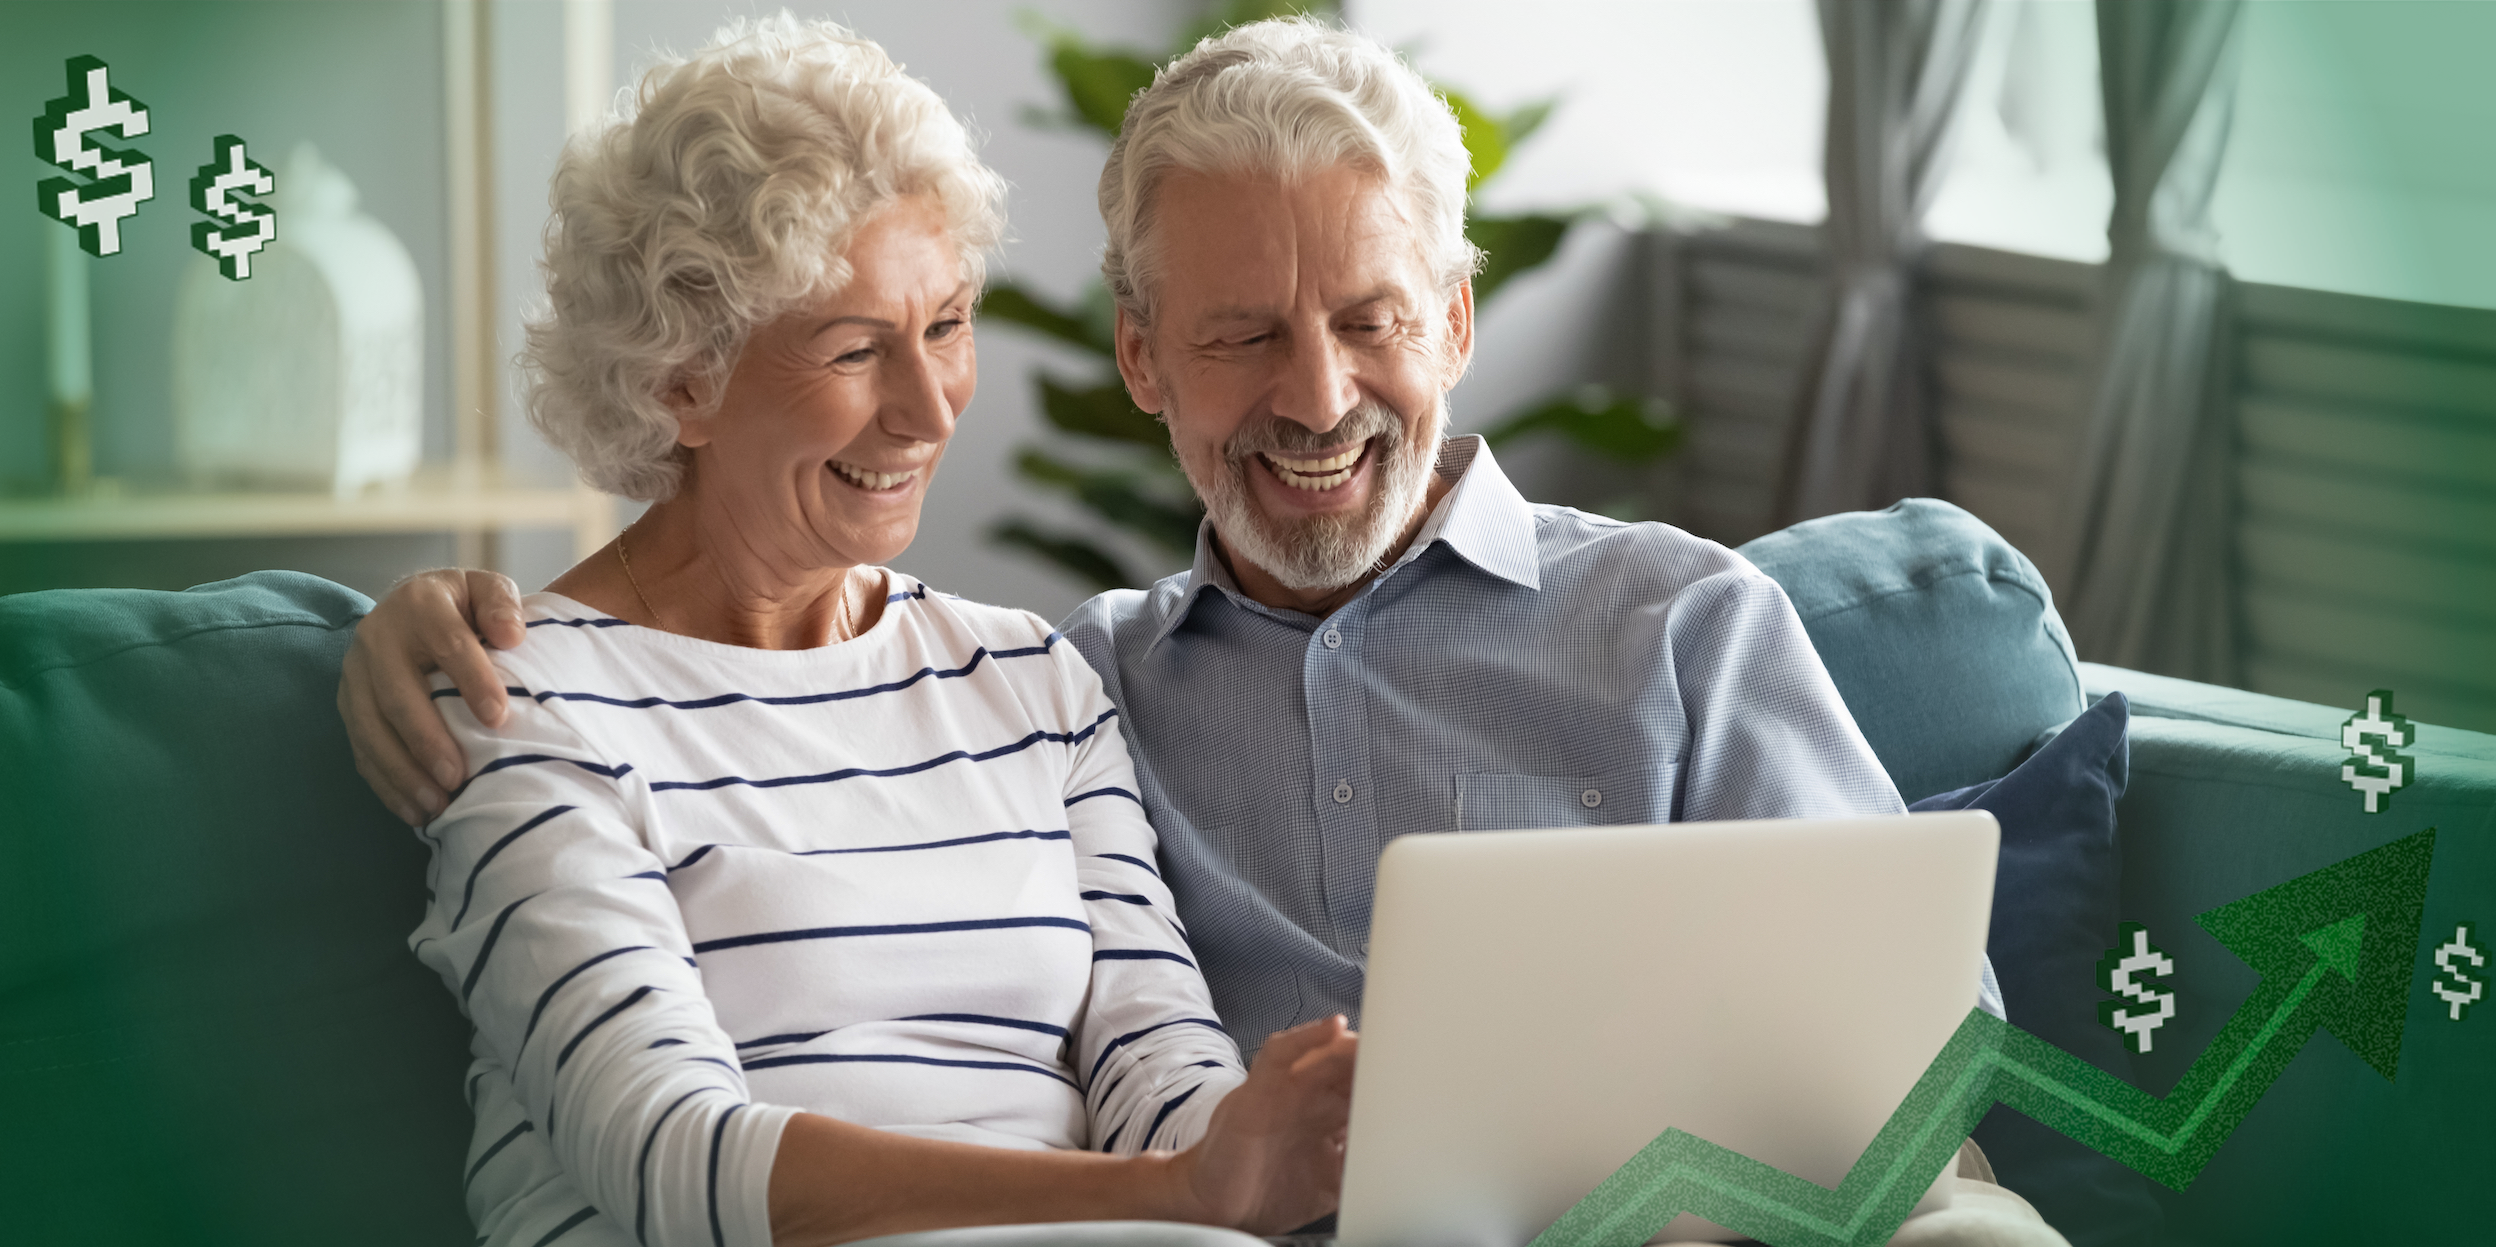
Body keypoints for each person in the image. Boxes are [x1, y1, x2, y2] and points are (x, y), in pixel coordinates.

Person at [349, 17, 2064, 1247]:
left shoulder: (1667, 620)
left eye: (942, 328)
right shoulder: (1074, 670)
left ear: (1454, 320)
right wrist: (391, 626)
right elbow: (680, 1146)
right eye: (1241, 337)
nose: (1317, 397)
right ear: (1144, 363)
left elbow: (1916, 1057)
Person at [396, 17, 1355, 1247]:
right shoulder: (523, 700)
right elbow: (670, 1160)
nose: (926, 407)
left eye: (946, 326)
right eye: (854, 349)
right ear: (680, 380)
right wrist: (1172, 1193)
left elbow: (1152, 1059)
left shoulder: (1029, 678)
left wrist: (1260, 1145)